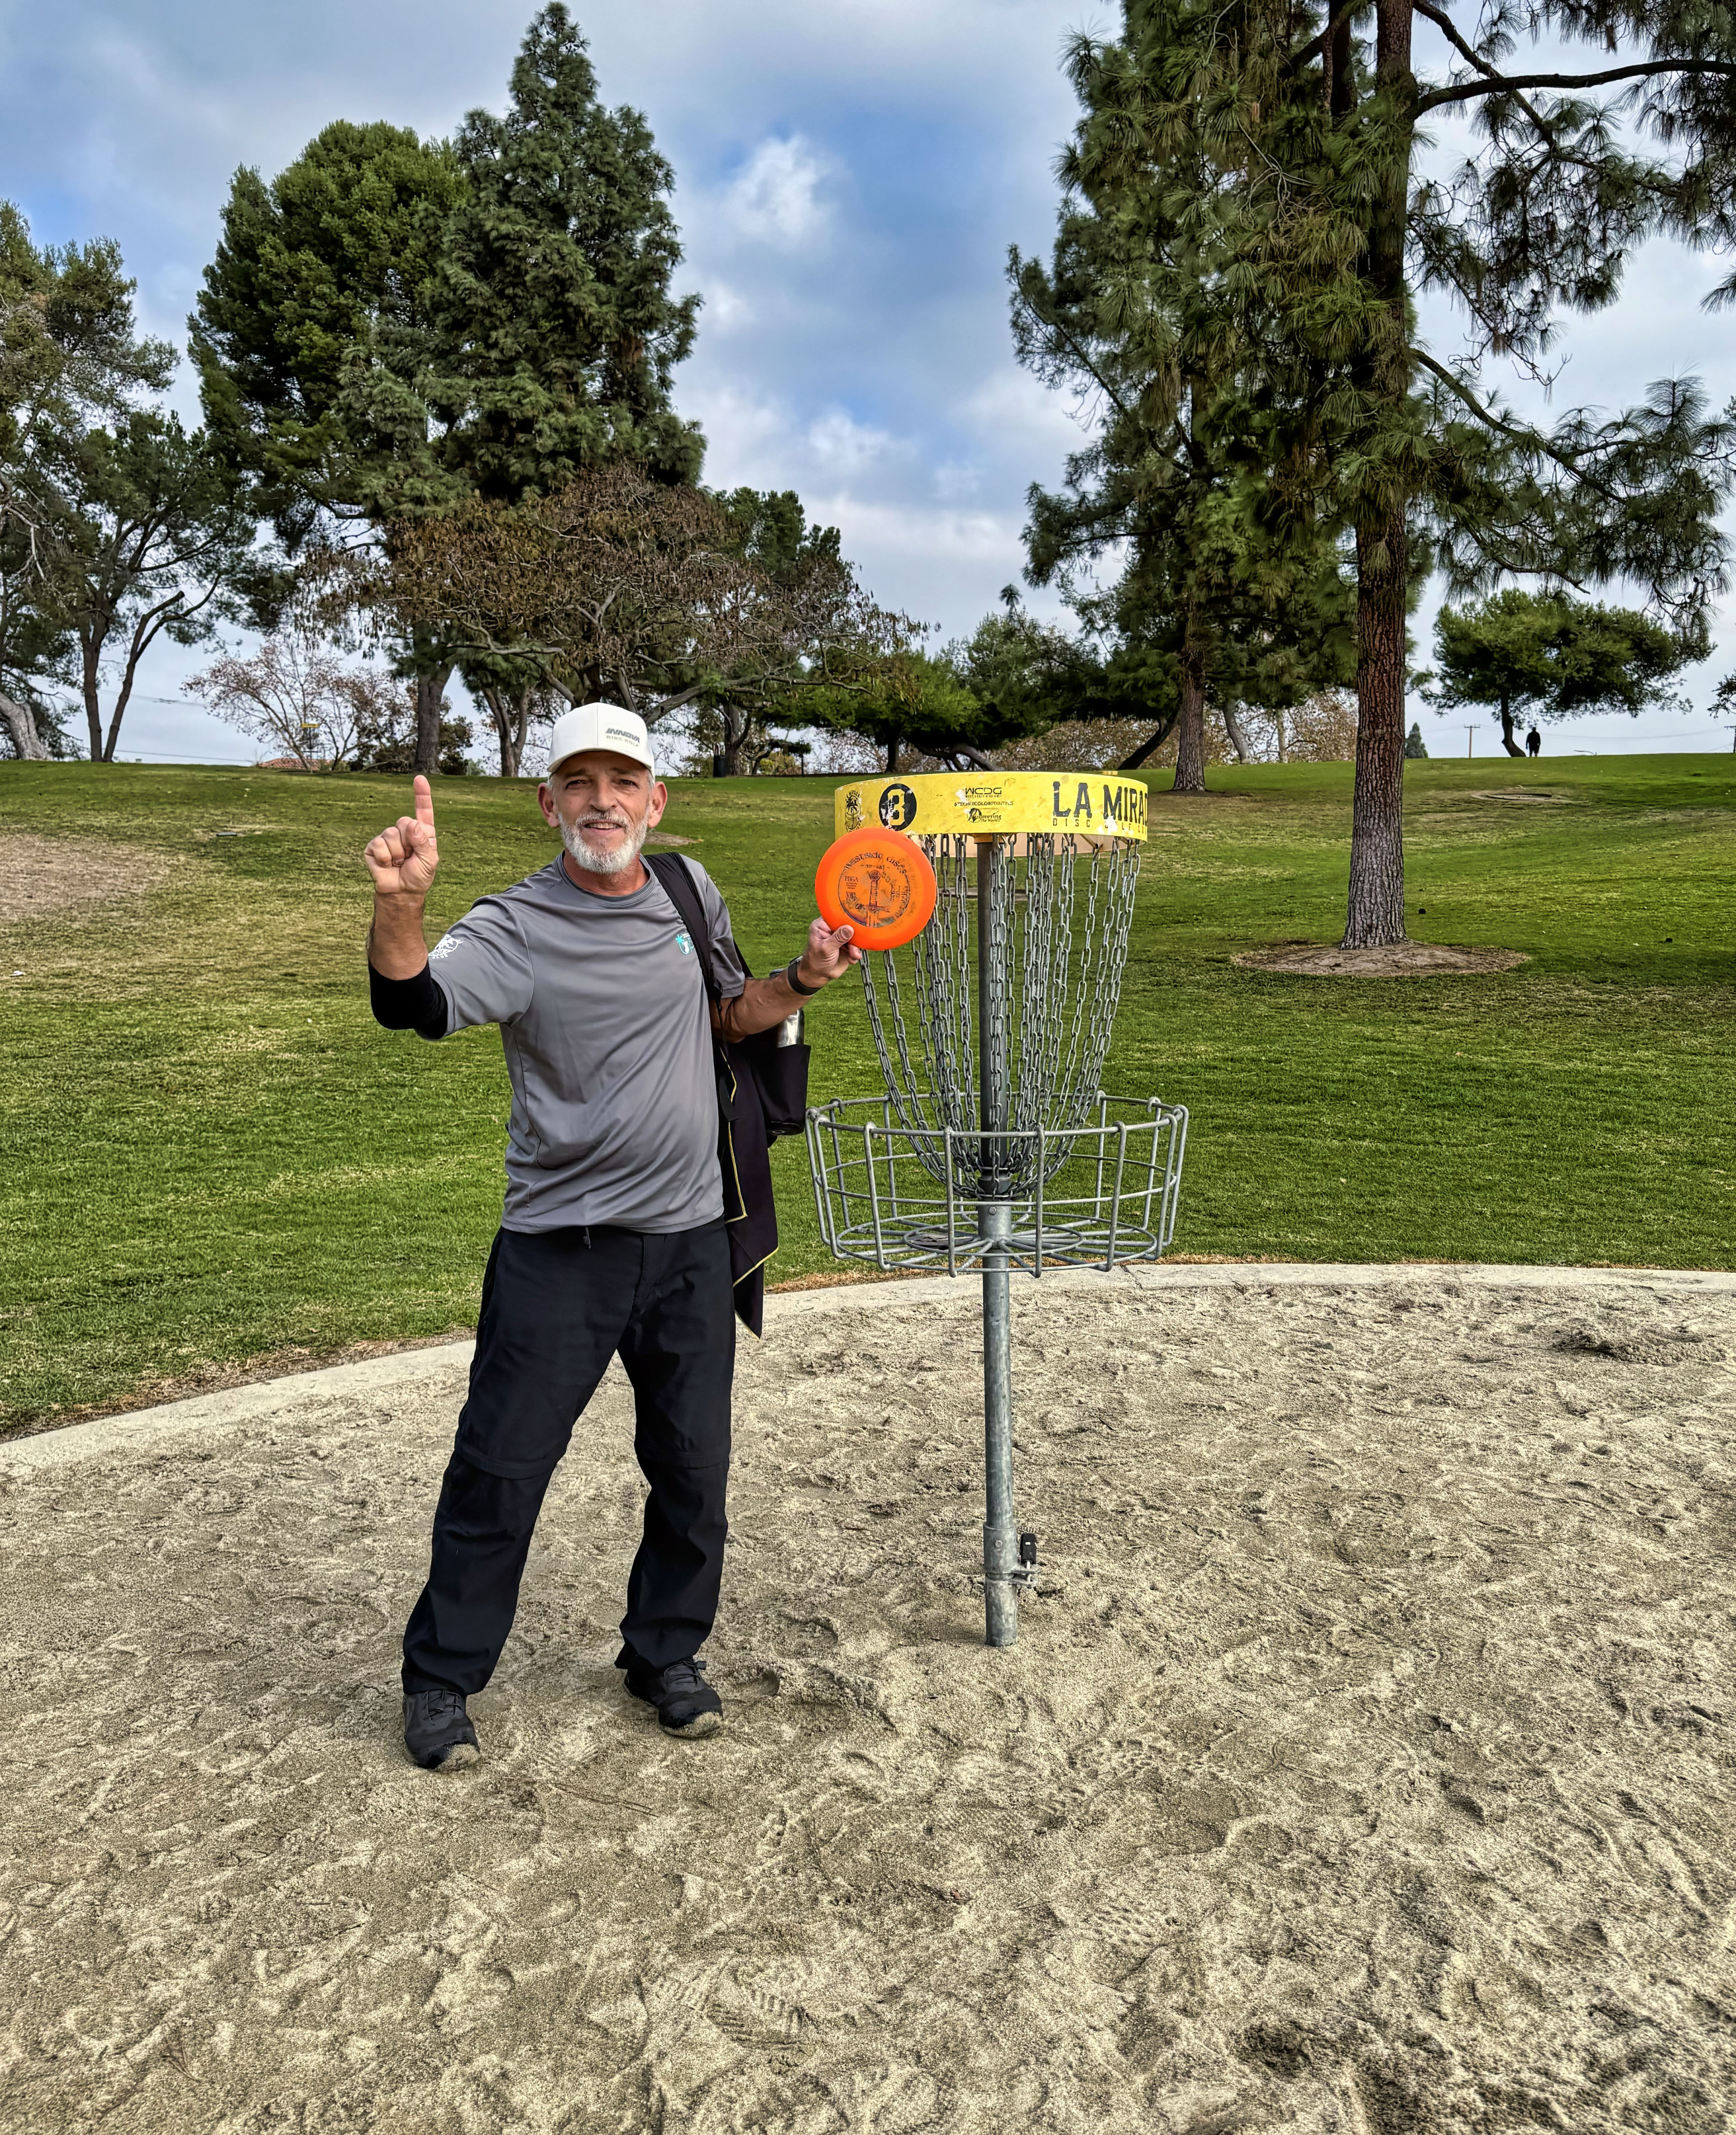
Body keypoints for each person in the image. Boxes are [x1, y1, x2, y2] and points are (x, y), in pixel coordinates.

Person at [363, 702, 860, 1769]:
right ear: (548, 802)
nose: (603, 802)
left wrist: (801, 981)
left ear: (655, 799)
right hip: (562, 1250)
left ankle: (664, 1653)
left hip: (691, 1241)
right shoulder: (514, 923)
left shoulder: (688, 890)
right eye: (580, 783)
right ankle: (442, 1675)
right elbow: (415, 1005)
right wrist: (400, 908)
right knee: (501, 1468)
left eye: (623, 782)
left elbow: (726, 1012)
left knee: (693, 1467)